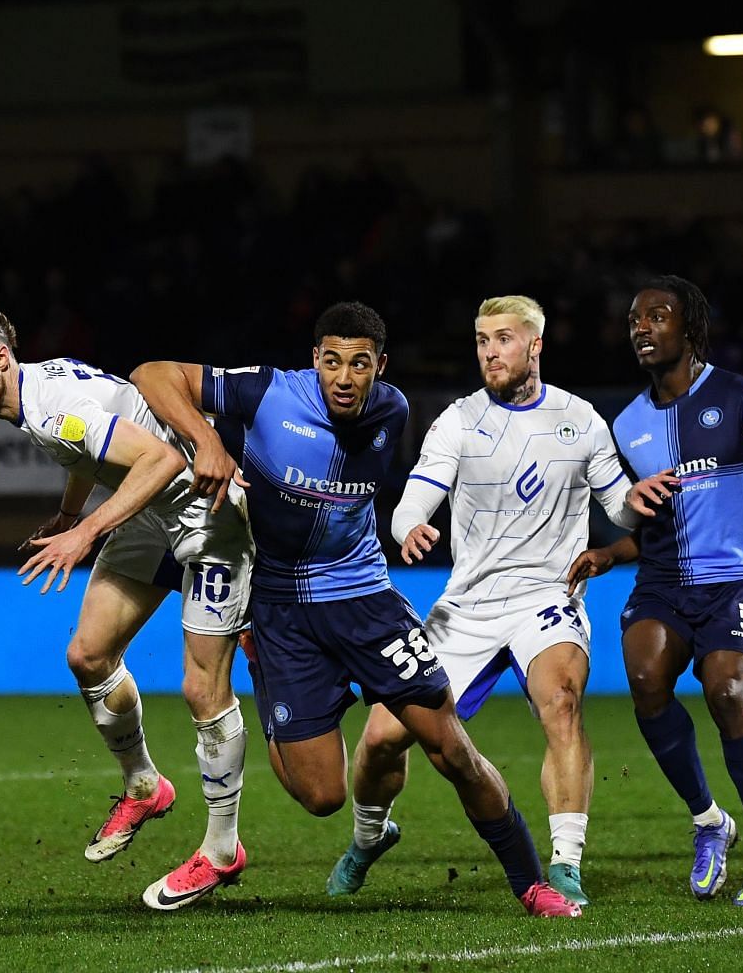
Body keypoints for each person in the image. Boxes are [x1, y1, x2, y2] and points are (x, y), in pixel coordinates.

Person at [132, 301, 582, 918]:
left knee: (450, 747)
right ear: (315, 359)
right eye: (333, 362)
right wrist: (208, 440)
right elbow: (152, 372)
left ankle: (532, 884)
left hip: (366, 602)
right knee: (320, 797)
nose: (345, 378)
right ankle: (269, 679)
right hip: (284, 613)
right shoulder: (267, 392)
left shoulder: (393, 411)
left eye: (360, 364)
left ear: (380, 367)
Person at [0, 312, 257, 910]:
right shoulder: (33, 401)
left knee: (202, 690)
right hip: (152, 510)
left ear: (2, 358)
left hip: (207, 514)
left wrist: (82, 535)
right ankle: (144, 785)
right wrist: (67, 512)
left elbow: (159, 459)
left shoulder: (51, 409)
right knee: (88, 654)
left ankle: (221, 848)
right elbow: (87, 452)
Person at [326, 296, 633, 908]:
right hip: (467, 606)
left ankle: (565, 860)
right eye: (482, 341)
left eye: (504, 339)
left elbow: (621, 507)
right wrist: (408, 526)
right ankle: (368, 837)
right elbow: (415, 496)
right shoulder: (459, 420)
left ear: (535, 345)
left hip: (547, 596)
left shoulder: (583, 421)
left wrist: (634, 517)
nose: (491, 352)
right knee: (384, 737)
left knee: (562, 702)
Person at [567, 276, 743, 907]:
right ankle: (709, 822)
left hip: (732, 582)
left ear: (689, 327)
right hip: (661, 582)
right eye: (634, 318)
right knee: (644, 680)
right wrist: (612, 549)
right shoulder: (629, 423)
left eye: (657, 316)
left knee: (725, 692)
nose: (641, 327)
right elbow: (648, 522)